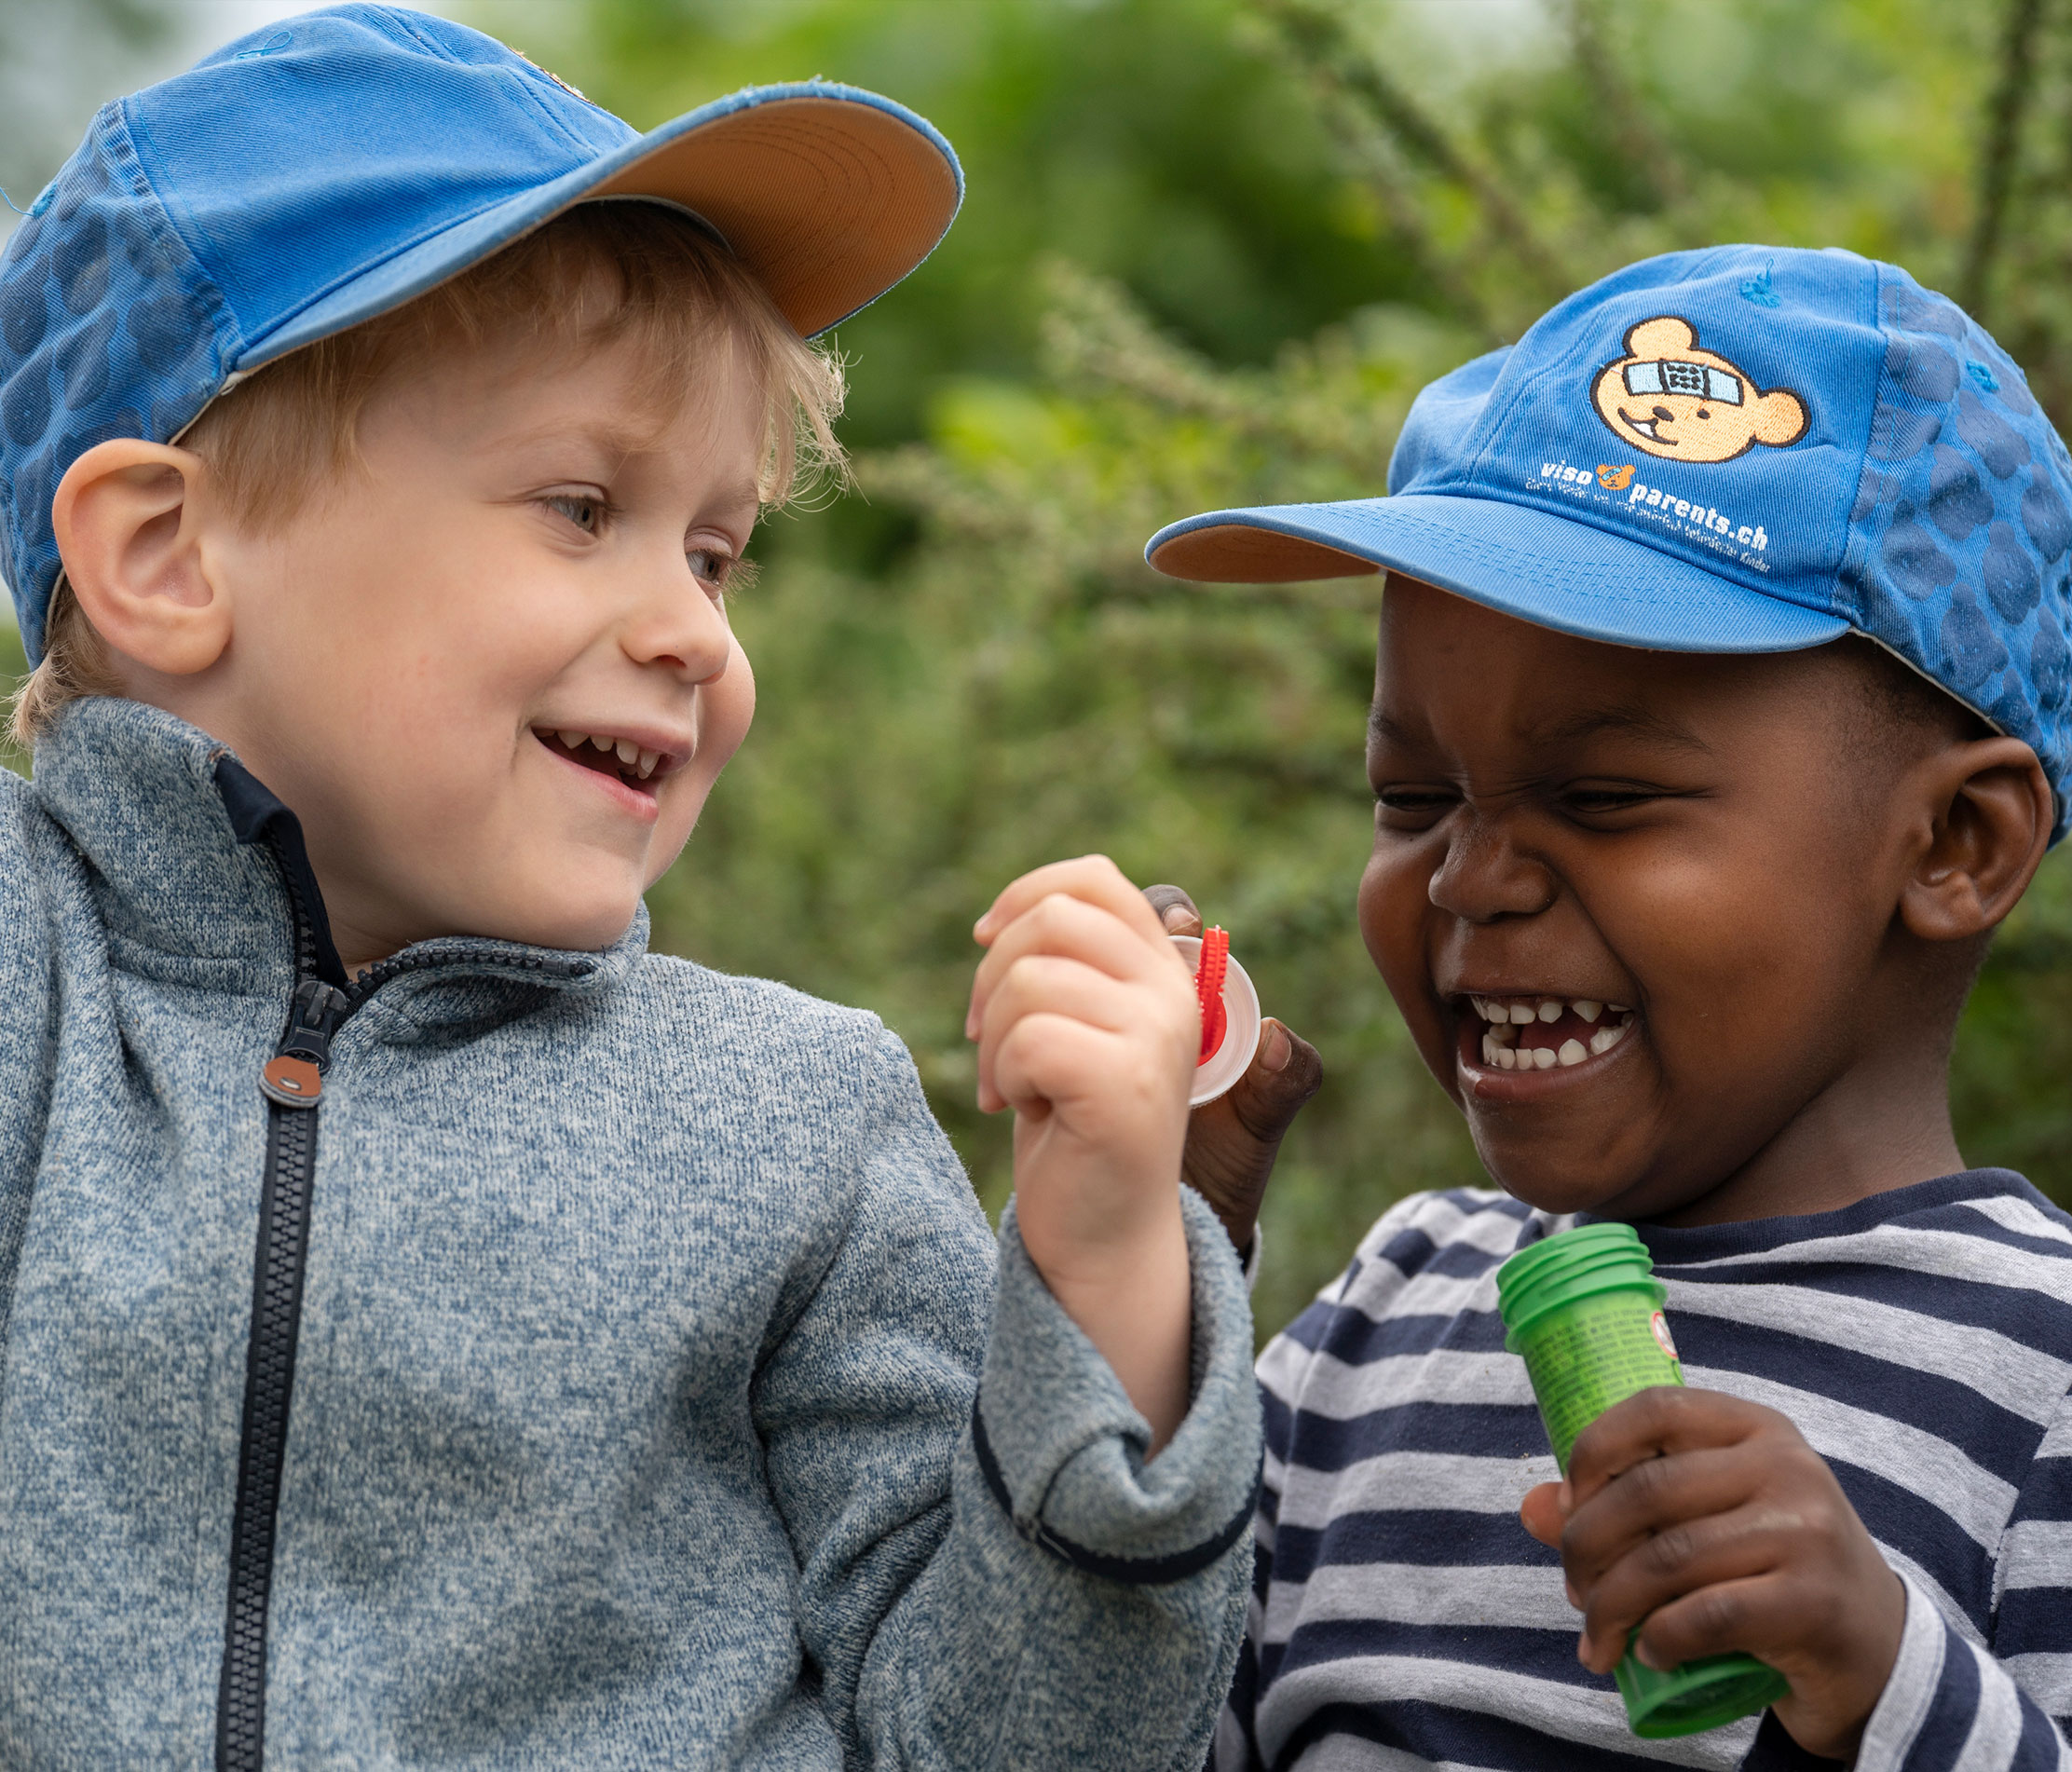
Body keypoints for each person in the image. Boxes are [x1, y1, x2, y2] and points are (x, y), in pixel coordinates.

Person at [0, 8, 1308, 1765]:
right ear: (167, 558)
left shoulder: (796, 1127)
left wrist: (1100, 1277)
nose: (695, 628)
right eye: (578, 505)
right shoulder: (36, 987)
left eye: (715, 548)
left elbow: (1016, 1737)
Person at [1138, 244, 2072, 1769]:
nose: (1470, 878)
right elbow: (1102, 1716)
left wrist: (1886, 1671)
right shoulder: (1387, 1314)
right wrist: (1144, 1265)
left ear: (1957, 845)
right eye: (1413, 793)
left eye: (1606, 794)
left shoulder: (2041, 1378)